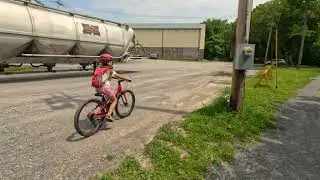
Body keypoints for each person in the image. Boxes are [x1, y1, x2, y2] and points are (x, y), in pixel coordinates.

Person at [91, 53, 132, 129]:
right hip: (105, 88)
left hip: (97, 88)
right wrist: (127, 79)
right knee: (114, 100)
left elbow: (101, 77)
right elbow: (118, 76)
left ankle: (93, 113)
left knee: (107, 100)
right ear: (109, 62)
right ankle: (108, 115)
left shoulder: (99, 68)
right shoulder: (109, 69)